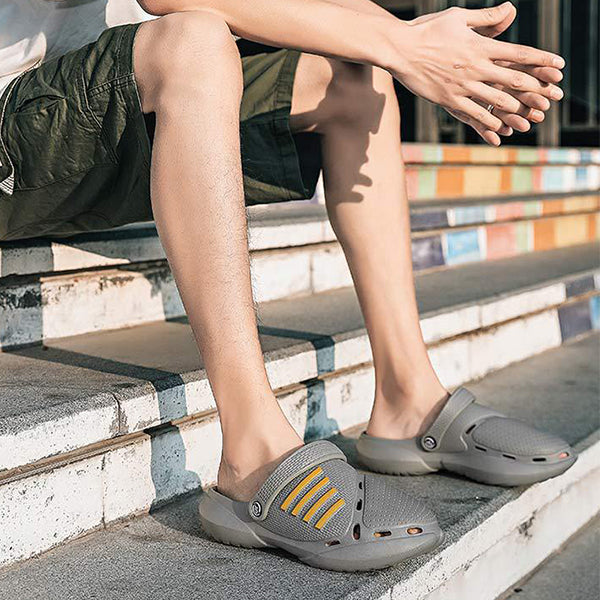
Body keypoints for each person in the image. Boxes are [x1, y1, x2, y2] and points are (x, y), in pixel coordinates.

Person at [0, 0, 576, 571]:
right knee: (194, 40)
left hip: (105, 114)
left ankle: (408, 400)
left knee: (356, 76)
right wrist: (404, 46)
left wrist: (413, 39)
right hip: (14, 129)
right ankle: (251, 454)